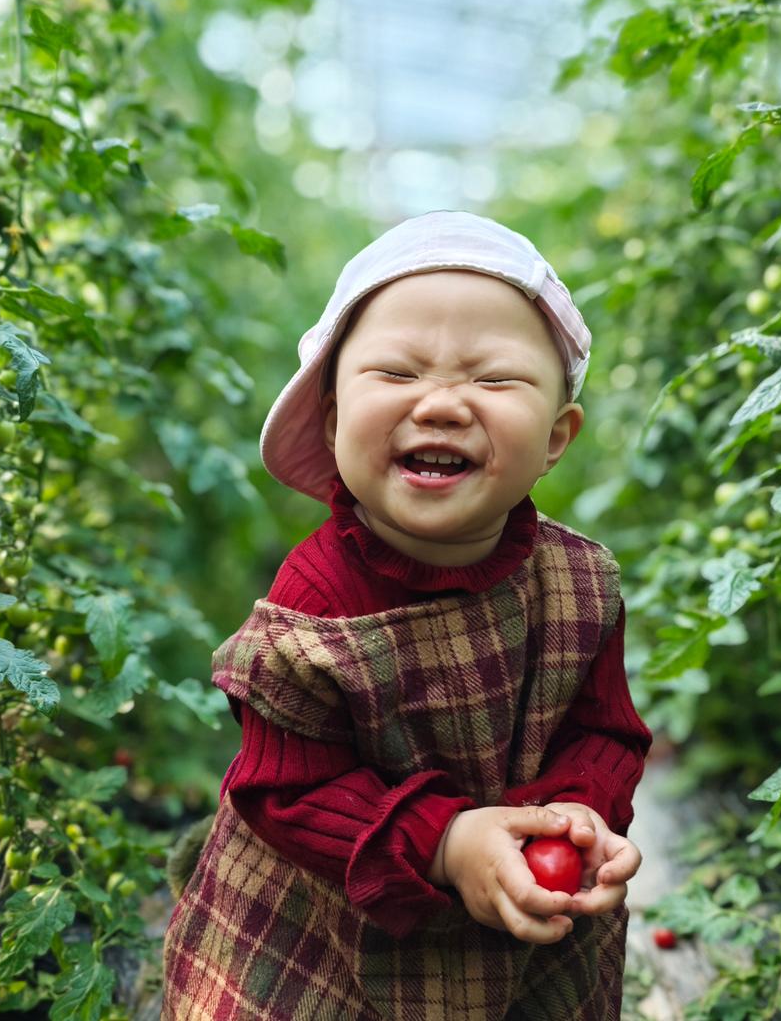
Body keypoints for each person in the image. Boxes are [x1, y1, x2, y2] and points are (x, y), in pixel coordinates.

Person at [161, 210, 653, 1020]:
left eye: (494, 380)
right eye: (397, 374)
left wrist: (575, 808)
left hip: (523, 915)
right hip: (332, 927)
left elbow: (605, 731)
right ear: (328, 420)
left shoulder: (579, 583)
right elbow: (287, 788)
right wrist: (444, 842)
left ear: (559, 436)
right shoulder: (315, 604)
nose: (443, 405)